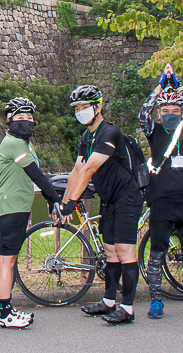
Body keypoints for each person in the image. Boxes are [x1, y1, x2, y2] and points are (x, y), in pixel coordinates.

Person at [59, 85, 144, 326]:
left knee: (124, 252)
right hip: (108, 200)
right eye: (76, 108)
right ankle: (108, 302)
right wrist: (63, 204)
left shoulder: (109, 133)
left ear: (99, 106)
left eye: (84, 107)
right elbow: (77, 171)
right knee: (109, 252)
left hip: (127, 198)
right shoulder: (87, 137)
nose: (80, 112)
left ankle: (127, 308)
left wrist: (72, 203)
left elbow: (90, 169)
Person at [138, 65, 183, 319]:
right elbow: (143, 114)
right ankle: (156, 300)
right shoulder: (155, 131)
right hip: (161, 200)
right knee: (157, 251)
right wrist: (159, 87)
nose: (170, 113)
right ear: (161, 112)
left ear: (182, 112)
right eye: (166, 110)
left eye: (175, 110)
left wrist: (179, 88)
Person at [0, 97, 61, 328]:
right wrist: (55, 198)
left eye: (30, 118)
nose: (27, 122)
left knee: (9, 262)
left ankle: (8, 309)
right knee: (6, 262)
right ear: (9, 120)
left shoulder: (24, 144)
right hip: (9, 209)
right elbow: (36, 175)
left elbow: (38, 175)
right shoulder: (13, 143)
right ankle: (4, 314)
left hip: (17, 208)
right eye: (21, 118)